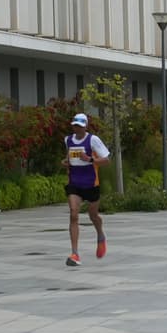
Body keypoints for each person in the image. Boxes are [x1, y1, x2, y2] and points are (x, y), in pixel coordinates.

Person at [62, 112, 110, 267]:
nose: (77, 128)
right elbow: (69, 157)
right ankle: (75, 253)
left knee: (93, 215)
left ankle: (100, 235)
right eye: (75, 125)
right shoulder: (68, 140)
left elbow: (106, 160)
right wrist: (65, 162)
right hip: (74, 183)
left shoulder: (93, 140)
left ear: (85, 127)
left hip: (91, 183)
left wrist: (90, 159)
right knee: (73, 214)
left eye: (80, 126)